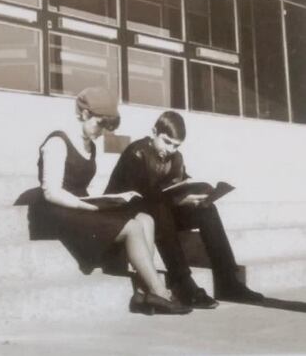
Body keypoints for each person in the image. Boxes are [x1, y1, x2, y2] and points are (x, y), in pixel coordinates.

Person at [37, 88, 191, 315]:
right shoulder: (57, 142)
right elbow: (51, 192)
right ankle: (158, 290)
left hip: (80, 205)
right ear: (84, 114)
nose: (101, 132)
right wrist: (86, 206)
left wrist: (102, 203)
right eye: (100, 124)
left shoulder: (88, 143)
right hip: (58, 210)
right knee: (131, 227)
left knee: (145, 219)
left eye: (106, 127)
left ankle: (141, 292)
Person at [105, 110, 264, 309]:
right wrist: (176, 200)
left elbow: (178, 187)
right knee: (160, 207)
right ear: (154, 132)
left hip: (160, 211)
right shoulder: (136, 152)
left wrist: (196, 198)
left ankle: (228, 281)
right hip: (125, 213)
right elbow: (139, 197)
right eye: (166, 141)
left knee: (207, 210)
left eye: (176, 145)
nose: (170, 149)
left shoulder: (176, 158)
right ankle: (182, 282)